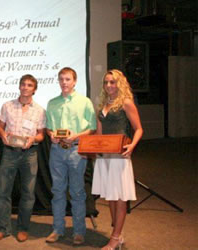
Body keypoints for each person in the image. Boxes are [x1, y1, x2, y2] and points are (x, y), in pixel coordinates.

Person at [0, 74, 46, 243]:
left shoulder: (40, 110)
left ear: (34, 89)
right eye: (23, 84)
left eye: (29, 85)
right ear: (19, 86)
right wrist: (3, 135)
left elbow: (41, 135)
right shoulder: (7, 106)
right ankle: (3, 229)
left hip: (30, 154)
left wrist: (32, 139)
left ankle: (23, 228)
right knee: (3, 193)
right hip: (9, 152)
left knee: (28, 194)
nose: (25, 87)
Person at [92, 69, 143, 250]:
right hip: (105, 156)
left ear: (119, 83)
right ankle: (118, 234)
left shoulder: (126, 103)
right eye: (106, 82)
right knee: (111, 197)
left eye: (112, 82)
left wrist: (132, 146)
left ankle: (114, 238)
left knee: (120, 197)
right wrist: (93, 148)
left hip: (119, 155)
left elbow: (138, 129)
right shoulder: (102, 104)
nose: (108, 86)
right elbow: (99, 133)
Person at [45, 67, 96, 245]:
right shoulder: (52, 103)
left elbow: (92, 127)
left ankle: (78, 232)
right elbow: (49, 127)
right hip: (57, 151)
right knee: (57, 191)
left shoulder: (85, 102)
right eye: (61, 79)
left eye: (67, 79)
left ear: (74, 81)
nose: (64, 82)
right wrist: (51, 134)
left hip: (76, 150)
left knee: (77, 192)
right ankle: (57, 229)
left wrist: (75, 136)